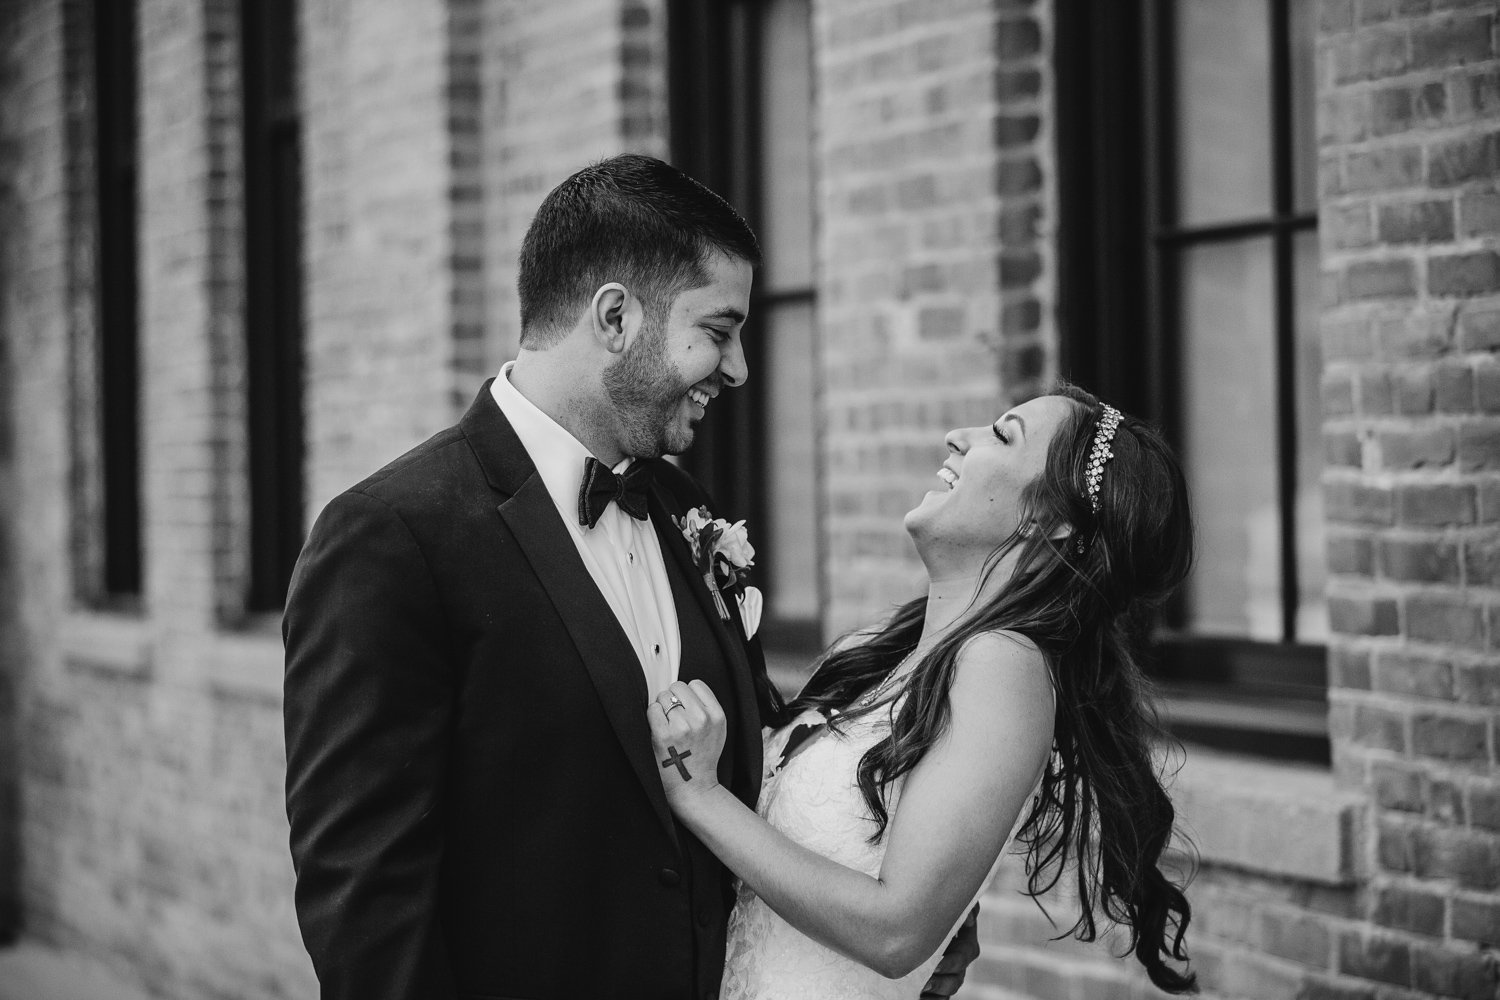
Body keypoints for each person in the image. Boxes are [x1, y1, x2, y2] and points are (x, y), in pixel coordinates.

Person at [282, 154, 976, 1000]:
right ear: (615, 315)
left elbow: (753, 758)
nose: (739, 368)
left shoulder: (682, 503)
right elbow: (364, 902)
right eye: (718, 331)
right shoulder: (391, 537)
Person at [647, 385, 1200, 998]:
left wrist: (700, 796)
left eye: (1002, 435)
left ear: (1050, 518)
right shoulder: (894, 650)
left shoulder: (1002, 665)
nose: (958, 437)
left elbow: (896, 935)